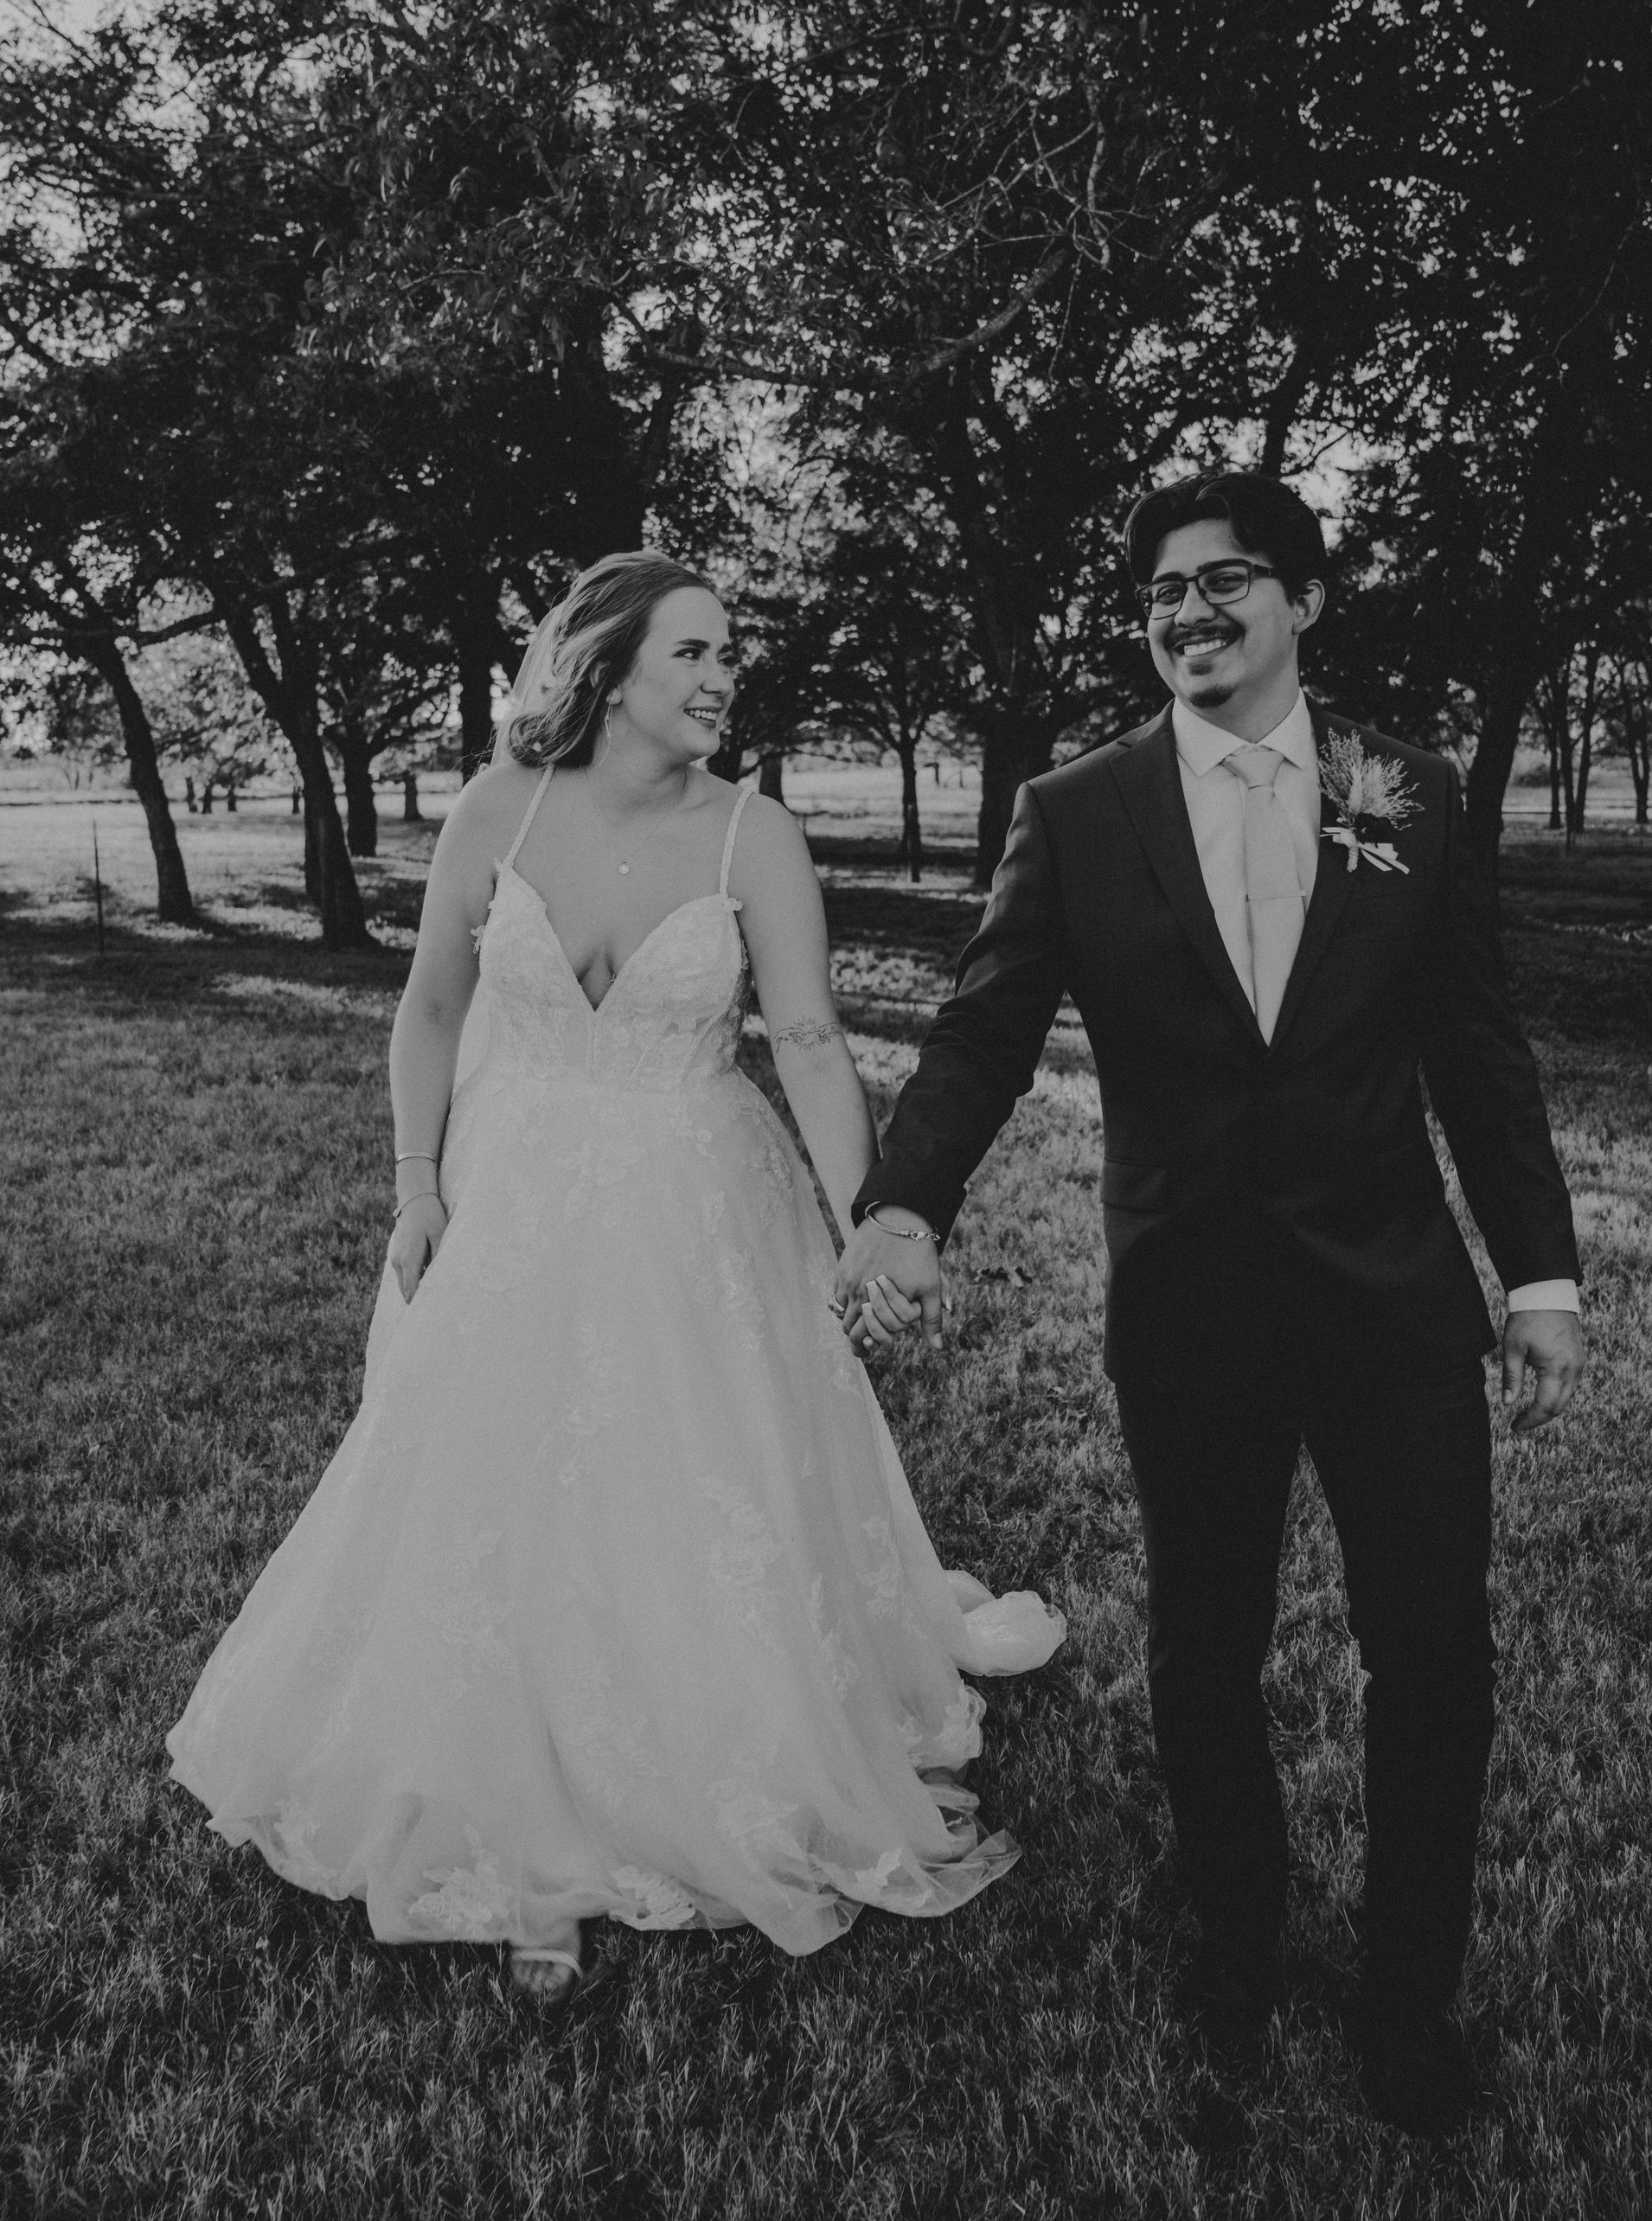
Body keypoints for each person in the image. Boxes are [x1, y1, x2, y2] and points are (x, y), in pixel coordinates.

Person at [168, 551, 1063, 2006]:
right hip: (510, 1192)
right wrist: (415, 1185)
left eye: (730, 658)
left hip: (693, 1201)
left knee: (685, 1475)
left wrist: (867, 1219)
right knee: (490, 1483)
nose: (721, 680)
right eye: (696, 652)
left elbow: (814, 1043)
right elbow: (431, 1011)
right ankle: (506, 1795)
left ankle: (700, 1752)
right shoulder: (496, 807)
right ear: (608, 665)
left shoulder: (750, 836)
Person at [838, 473, 1584, 2135]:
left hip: (1394, 1301)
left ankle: (1410, 2002)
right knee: (1205, 1649)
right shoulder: (1080, 807)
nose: (1191, 611)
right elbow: (982, 1029)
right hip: (1190, 1301)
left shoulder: (1414, 791)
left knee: (1436, 1656)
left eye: (1228, 580)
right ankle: (1236, 1947)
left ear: (1303, 601)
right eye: (1163, 593)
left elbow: (1478, 1049)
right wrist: (906, 1202)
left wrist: (1538, 1270)